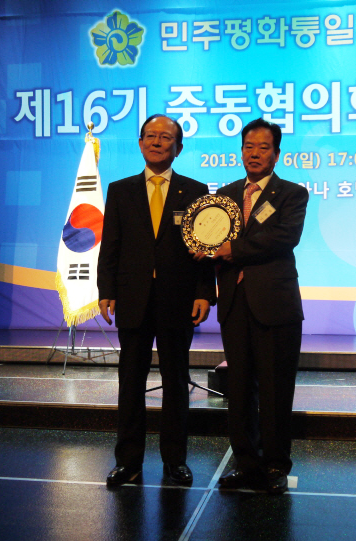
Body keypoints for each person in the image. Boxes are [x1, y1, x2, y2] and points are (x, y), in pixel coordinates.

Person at [97, 114, 215, 487]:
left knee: (176, 382)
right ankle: (128, 461)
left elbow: (205, 247)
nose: (157, 142)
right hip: (132, 299)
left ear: (178, 148)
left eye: (165, 137)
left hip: (178, 299)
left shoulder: (196, 190)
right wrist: (106, 290)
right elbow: (110, 246)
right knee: (130, 382)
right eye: (150, 136)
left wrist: (203, 293)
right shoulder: (120, 190)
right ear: (140, 143)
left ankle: (175, 462)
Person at [204, 118, 308, 494]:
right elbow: (211, 237)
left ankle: (276, 466)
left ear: (277, 154)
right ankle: (247, 465)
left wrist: (233, 249)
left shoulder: (292, 194)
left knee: (276, 390)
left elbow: (282, 238)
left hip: (275, 306)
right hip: (235, 305)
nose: (255, 153)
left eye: (263, 147)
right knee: (240, 389)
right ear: (241, 150)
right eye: (249, 146)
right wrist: (201, 249)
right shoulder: (226, 194)